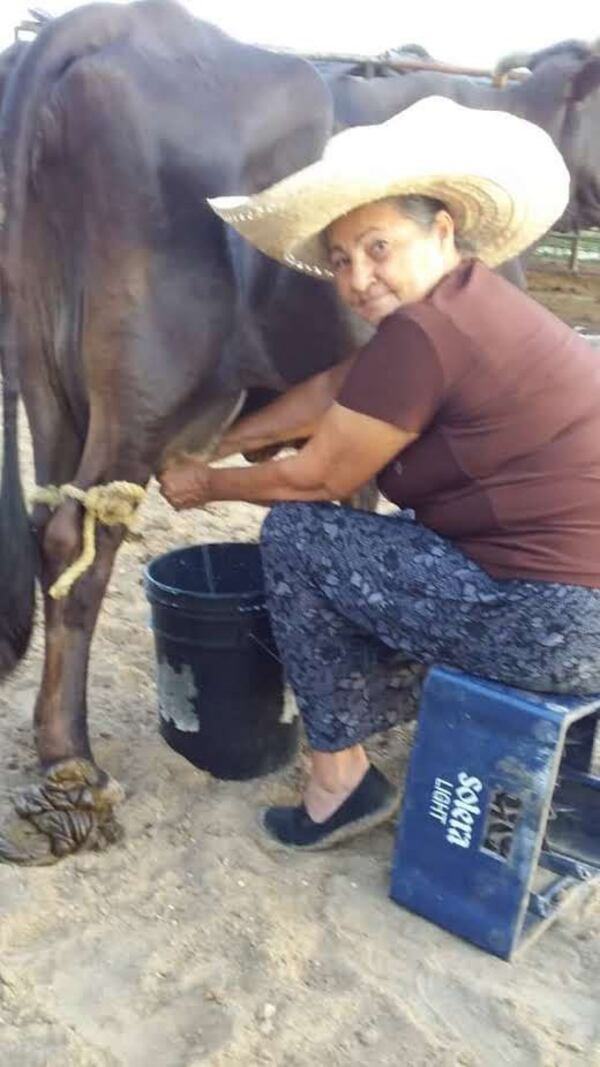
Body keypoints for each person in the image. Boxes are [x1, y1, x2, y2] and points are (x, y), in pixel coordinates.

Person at [159, 97, 600, 850]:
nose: (359, 277)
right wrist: (220, 441)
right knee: (381, 545)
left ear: (441, 230)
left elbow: (316, 479)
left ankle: (339, 779)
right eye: (340, 260)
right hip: (577, 611)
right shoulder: (469, 306)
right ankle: (381, 716)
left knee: (301, 535)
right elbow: (334, 390)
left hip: (550, 624)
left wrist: (205, 484)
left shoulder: (427, 334)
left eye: (378, 247)